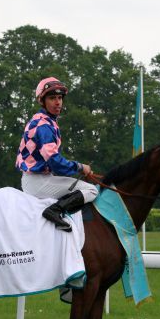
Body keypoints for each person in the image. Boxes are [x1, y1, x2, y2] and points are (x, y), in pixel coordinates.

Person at [15, 77, 98, 231]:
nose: (58, 102)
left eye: (60, 98)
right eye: (52, 98)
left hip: (40, 179)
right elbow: (55, 162)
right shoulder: (44, 125)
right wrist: (80, 167)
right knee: (91, 190)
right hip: (37, 182)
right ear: (42, 101)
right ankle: (54, 211)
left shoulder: (45, 121)